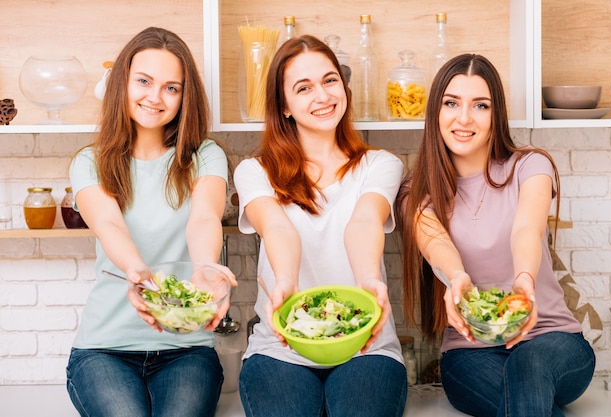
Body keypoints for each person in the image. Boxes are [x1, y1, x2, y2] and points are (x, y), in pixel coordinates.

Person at [397, 53, 595, 417]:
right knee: (524, 400)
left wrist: (524, 283)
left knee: (528, 365)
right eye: (451, 103)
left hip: (552, 339)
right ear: (435, 112)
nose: (464, 118)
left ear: (496, 114)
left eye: (480, 105)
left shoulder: (530, 166)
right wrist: (457, 278)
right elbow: (436, 245)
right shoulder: (417, 192)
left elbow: (527, 228)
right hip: (469, 352)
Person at [65, 27, 236, 417]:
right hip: (104, 349)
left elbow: (205, 217)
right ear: (121, 83)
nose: (155, 97)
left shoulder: (204, 156)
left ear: (184, 96)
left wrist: (206, 267)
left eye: (171, 87)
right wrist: (136, 272)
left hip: (187, 350)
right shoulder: (89, 162)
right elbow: (108, 224)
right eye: (143, 81)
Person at [234, 35, 407, 417]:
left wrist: (368, 281)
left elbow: (363, 222)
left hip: (367, 345)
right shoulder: (255, 172)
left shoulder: (380, 165)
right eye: (303, 87)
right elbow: (278, 229)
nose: (323, 95)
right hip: (280, 348)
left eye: (330, 81)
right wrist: (286, 284)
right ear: (284, 106)